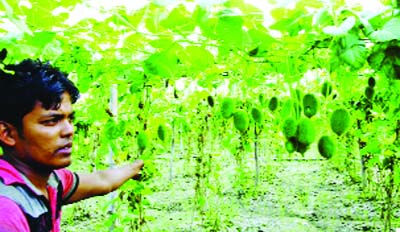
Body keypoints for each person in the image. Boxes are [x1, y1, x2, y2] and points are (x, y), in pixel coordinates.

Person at [0, 57, 144, 232]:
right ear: (7, 133)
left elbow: (103, 180)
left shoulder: (51, 181)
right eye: (52, 121)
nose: (69, 130)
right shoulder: (6, 211)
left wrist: (136, 167)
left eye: (70, 119)